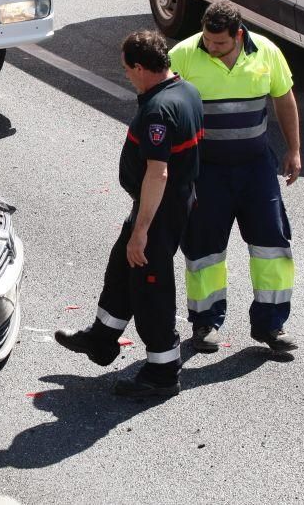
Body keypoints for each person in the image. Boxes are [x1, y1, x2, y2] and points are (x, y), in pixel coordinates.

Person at [55, 30, 204, 397]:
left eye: (126, 69)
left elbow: (158, 172)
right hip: (167, 202)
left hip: (158, 209)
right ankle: (102, 339)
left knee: (151, 288)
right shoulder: (187, 90)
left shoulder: (158, 110)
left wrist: (142, 231)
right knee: (122, 265)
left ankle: (162, 373)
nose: (126, 75)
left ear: (140, 67)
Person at [170, 1, 301, 353]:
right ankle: (205, 324)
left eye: (220, 44)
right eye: (208, 42)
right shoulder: (183, 55)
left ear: (239, 35)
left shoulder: (267, 53)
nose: (212, 48)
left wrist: (294, 149)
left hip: (256, 167)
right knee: (204, 249)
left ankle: (271, 325)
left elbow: (284, 98)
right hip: (206, 171)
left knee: (272, 245)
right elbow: (163, 107)